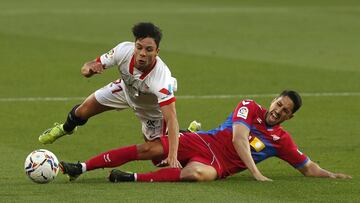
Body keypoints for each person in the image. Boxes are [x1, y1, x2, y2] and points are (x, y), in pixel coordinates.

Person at [59, 90, 352, 182]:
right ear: (273, 100)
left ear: (290, 117)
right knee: (149, 149)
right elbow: (239, 139)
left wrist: (331, 175)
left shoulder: (282, 141)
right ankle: (82, 167)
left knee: (197, 174)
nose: (277, 111)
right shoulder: (249, 107)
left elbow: (307, 167)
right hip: (204, 142)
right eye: (278, 104)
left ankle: (129, 178)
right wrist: (256, 173)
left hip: (218, 167)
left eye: (284, 110)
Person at [39, 22, 182, 168]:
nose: (142, 53)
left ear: (157, 51)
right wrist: (89, 70)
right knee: (82, 111)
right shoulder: (122, 50)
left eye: (149, 49)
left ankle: (187, 134)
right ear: (134, 45)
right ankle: (65, 128)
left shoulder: (161, 79)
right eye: (139, 47)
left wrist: (172, 156)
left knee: (158, 159)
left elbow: (171, 119)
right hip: (124, 90)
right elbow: (87, 66)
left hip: (151, 110)